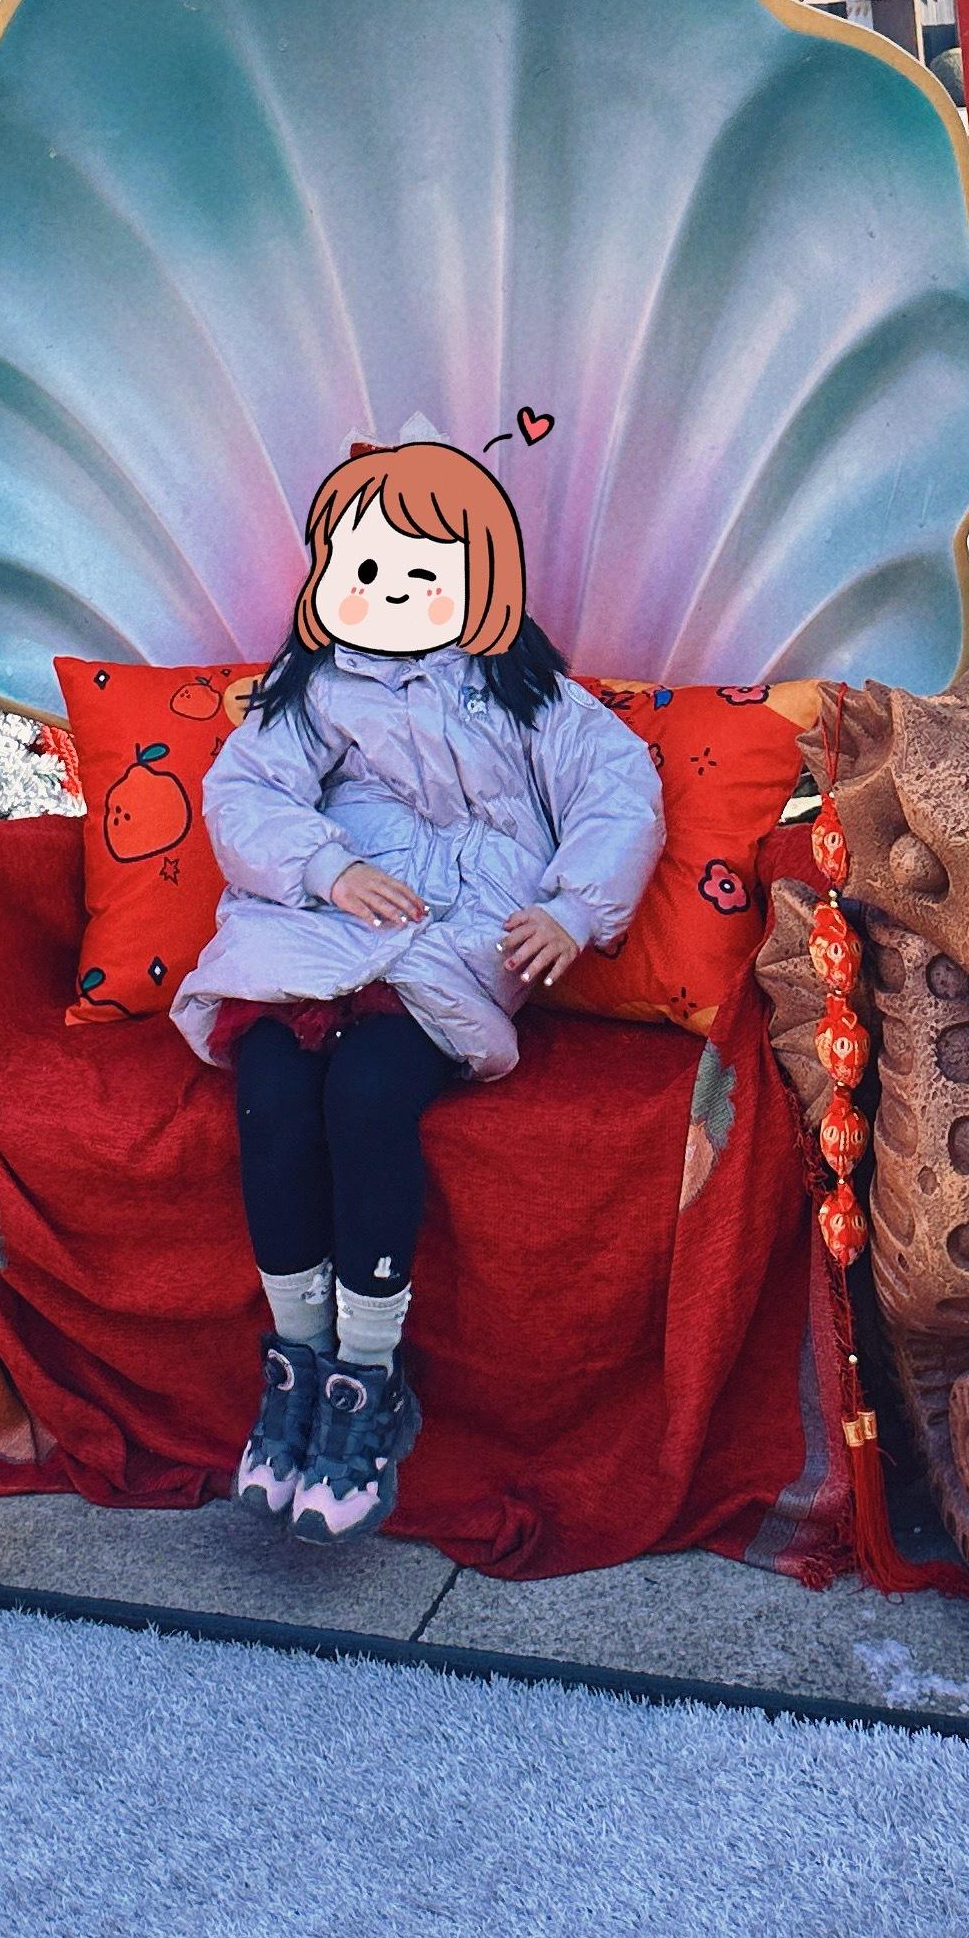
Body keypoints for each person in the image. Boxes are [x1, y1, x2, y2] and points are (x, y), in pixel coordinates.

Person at [172, 435, 664, 1544]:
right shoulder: (312, 695)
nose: (389, 596)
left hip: (454, 937)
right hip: (317, 925)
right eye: (366, 572)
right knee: (271, 1088)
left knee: (369, 1094)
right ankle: (295, 1366)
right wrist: (325, 866)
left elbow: (619, 789)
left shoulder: (527, 697)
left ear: (480, 586)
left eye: (419, 575)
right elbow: (243, 793)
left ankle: (366, 1379)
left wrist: (574, 909)